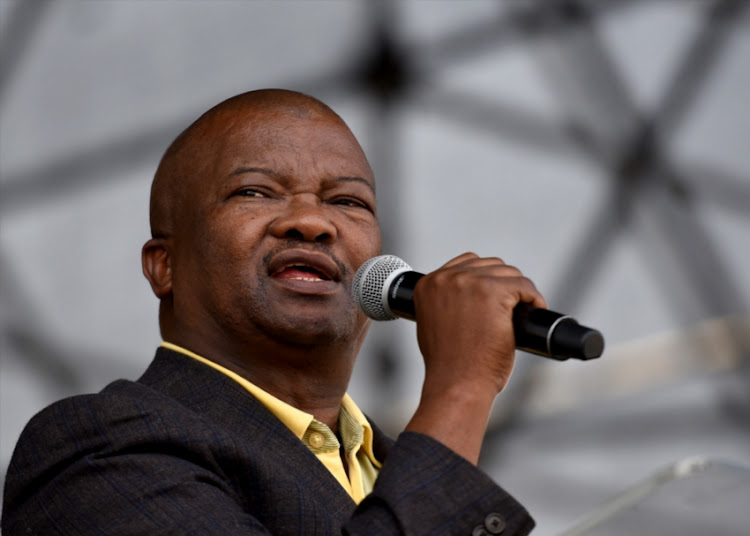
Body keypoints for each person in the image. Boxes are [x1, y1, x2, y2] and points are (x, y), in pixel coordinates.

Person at [2, 89, 546, 535]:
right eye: (255, 192)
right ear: (164, 265)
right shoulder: (95, 448)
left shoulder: (406, 467)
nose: (312, 222)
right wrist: (461, 387)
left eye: (348, 202)